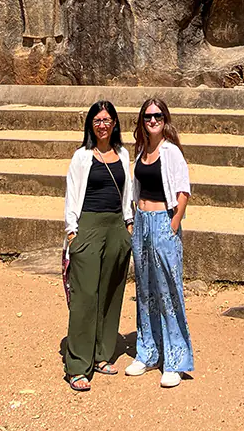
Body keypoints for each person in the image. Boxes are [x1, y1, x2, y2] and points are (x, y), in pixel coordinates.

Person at [63, 100, 134, 392]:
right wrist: (72, 235)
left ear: (115, 123)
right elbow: (71, 194)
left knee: (110, 293)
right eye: (97, 120)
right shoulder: (81, 157)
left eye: (107, 119)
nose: (102, 124)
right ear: (91, 124)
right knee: (85, 298)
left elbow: (128, 190)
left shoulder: (123, 154)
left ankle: (102, 354)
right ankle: (78, 365)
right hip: (88, 227)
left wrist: (128, 226)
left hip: (117, 227)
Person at [126, 97, 194, 387]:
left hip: (163, 222)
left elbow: (183, 191)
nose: (152, 121)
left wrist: (173, 224)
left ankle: (175, 360)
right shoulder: (142, 152)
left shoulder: (171, 153)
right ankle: (148, 351)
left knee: (168, 291)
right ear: (142, 122)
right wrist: (132, 221)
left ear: (164, 120)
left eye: (157, 116)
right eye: (147, 117)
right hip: (141, 222)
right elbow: (136, 187)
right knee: (145, 291)